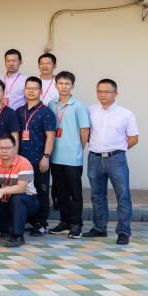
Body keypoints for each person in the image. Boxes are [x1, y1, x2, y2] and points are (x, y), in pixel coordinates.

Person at [82, 79, 139, 245]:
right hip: (94, 158)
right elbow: (85, 132)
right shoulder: (90, 111)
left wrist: (118, 150)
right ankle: (100, 228)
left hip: (116, 159)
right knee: (97, 195)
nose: (103, 95)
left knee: (123, 195)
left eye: (107, 91)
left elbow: (134, 138)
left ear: (116, 93)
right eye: (99, 91)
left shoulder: (126, 114)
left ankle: (123, 231)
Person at [48, 71, 90, 238]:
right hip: (55, 156)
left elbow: (84, 130)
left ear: (72, 86)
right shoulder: (51, 104)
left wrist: (78, 148)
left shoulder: (78, 105)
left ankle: (76, 224)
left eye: (67, 84)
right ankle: (65, 222)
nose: (64, 86)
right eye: (61, 83)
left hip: (73, 158)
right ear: (56, 85)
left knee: (75, 193)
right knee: (60, 193)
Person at [17, 77, 56, 236]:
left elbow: (50, 136)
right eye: (28, 88)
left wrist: (46, 157)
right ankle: (29, 220)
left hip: (39, 159)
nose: (31, 91)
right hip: (21, 160)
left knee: (41, 191)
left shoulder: (46, 112)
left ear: (40, 91)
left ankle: (41, 224)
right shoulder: (19, 111)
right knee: (23, 191)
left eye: (34, 88)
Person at [0, 135, 38, 247]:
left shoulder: (24, 163)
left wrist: (1, 191)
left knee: (17, 198)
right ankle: (9, 229)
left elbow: (21, 188)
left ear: (14, 148)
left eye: (7, 148)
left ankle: (18, 236)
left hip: (28, 201)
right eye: (1, 148)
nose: (4, 151)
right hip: (6, 202)